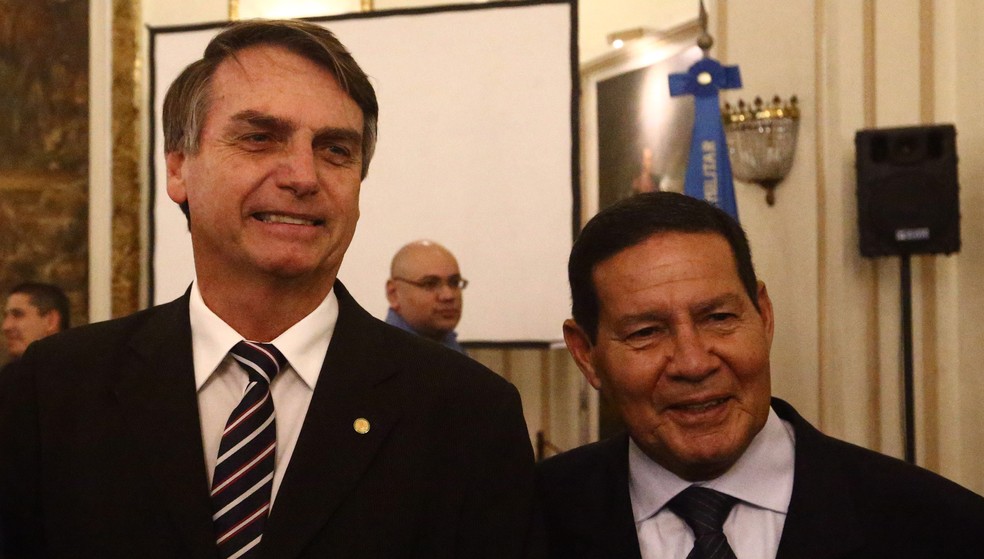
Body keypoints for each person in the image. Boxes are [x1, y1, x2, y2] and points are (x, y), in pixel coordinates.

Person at [0, 20, 537, 559]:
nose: (303, 176)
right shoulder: (53, 391)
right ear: (179, 167)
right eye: (260, 138)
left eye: (334, 150)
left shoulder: (467, 414)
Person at [536, 191, 984, 558]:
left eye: (718, 317)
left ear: (764, 315)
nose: (694, 363)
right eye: (647, 332)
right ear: (586, 354)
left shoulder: (943, 528)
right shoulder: (524, 522)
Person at [385, 240, 467, 353]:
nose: (448, 296)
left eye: (454, 282)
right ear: (393, 293)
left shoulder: (450, 345)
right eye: (430, 284)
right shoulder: (383, 357)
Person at [2, 282, 70, 365]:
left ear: (51, 321)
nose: (6, 326)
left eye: (18, 314)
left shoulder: (79, 373)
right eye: (5, 316)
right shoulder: (11, 374)